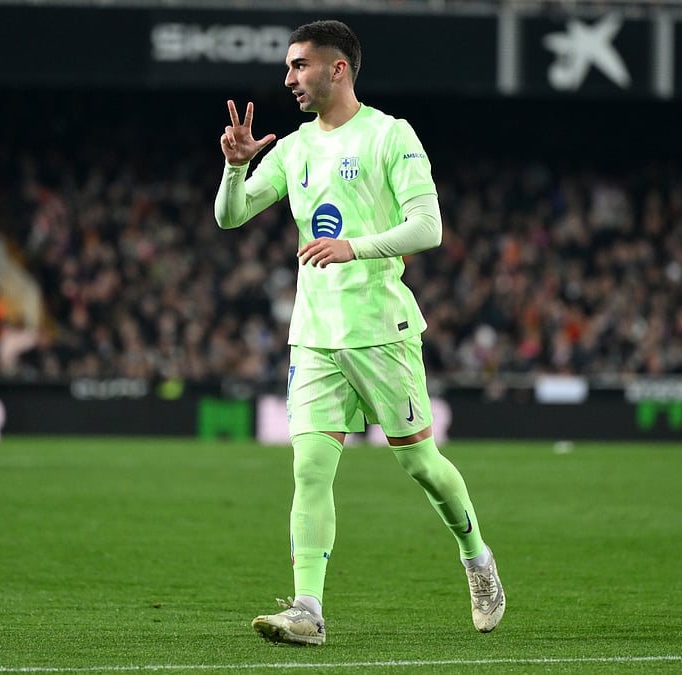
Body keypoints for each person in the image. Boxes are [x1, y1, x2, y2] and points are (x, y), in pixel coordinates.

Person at [214, 19, 504, 646]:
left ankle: (477, 557)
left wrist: (355, 247)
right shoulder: (292, 149)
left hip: (380, 329)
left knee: (421, 465)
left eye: (300, 66)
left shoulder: (390, 136)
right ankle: (308, 609)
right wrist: (236, 168)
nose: (289, 78)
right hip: (314, 333)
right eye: (289, 67)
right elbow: (230, 216)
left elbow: (429, 227)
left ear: (337, 69)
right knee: (310, 469)